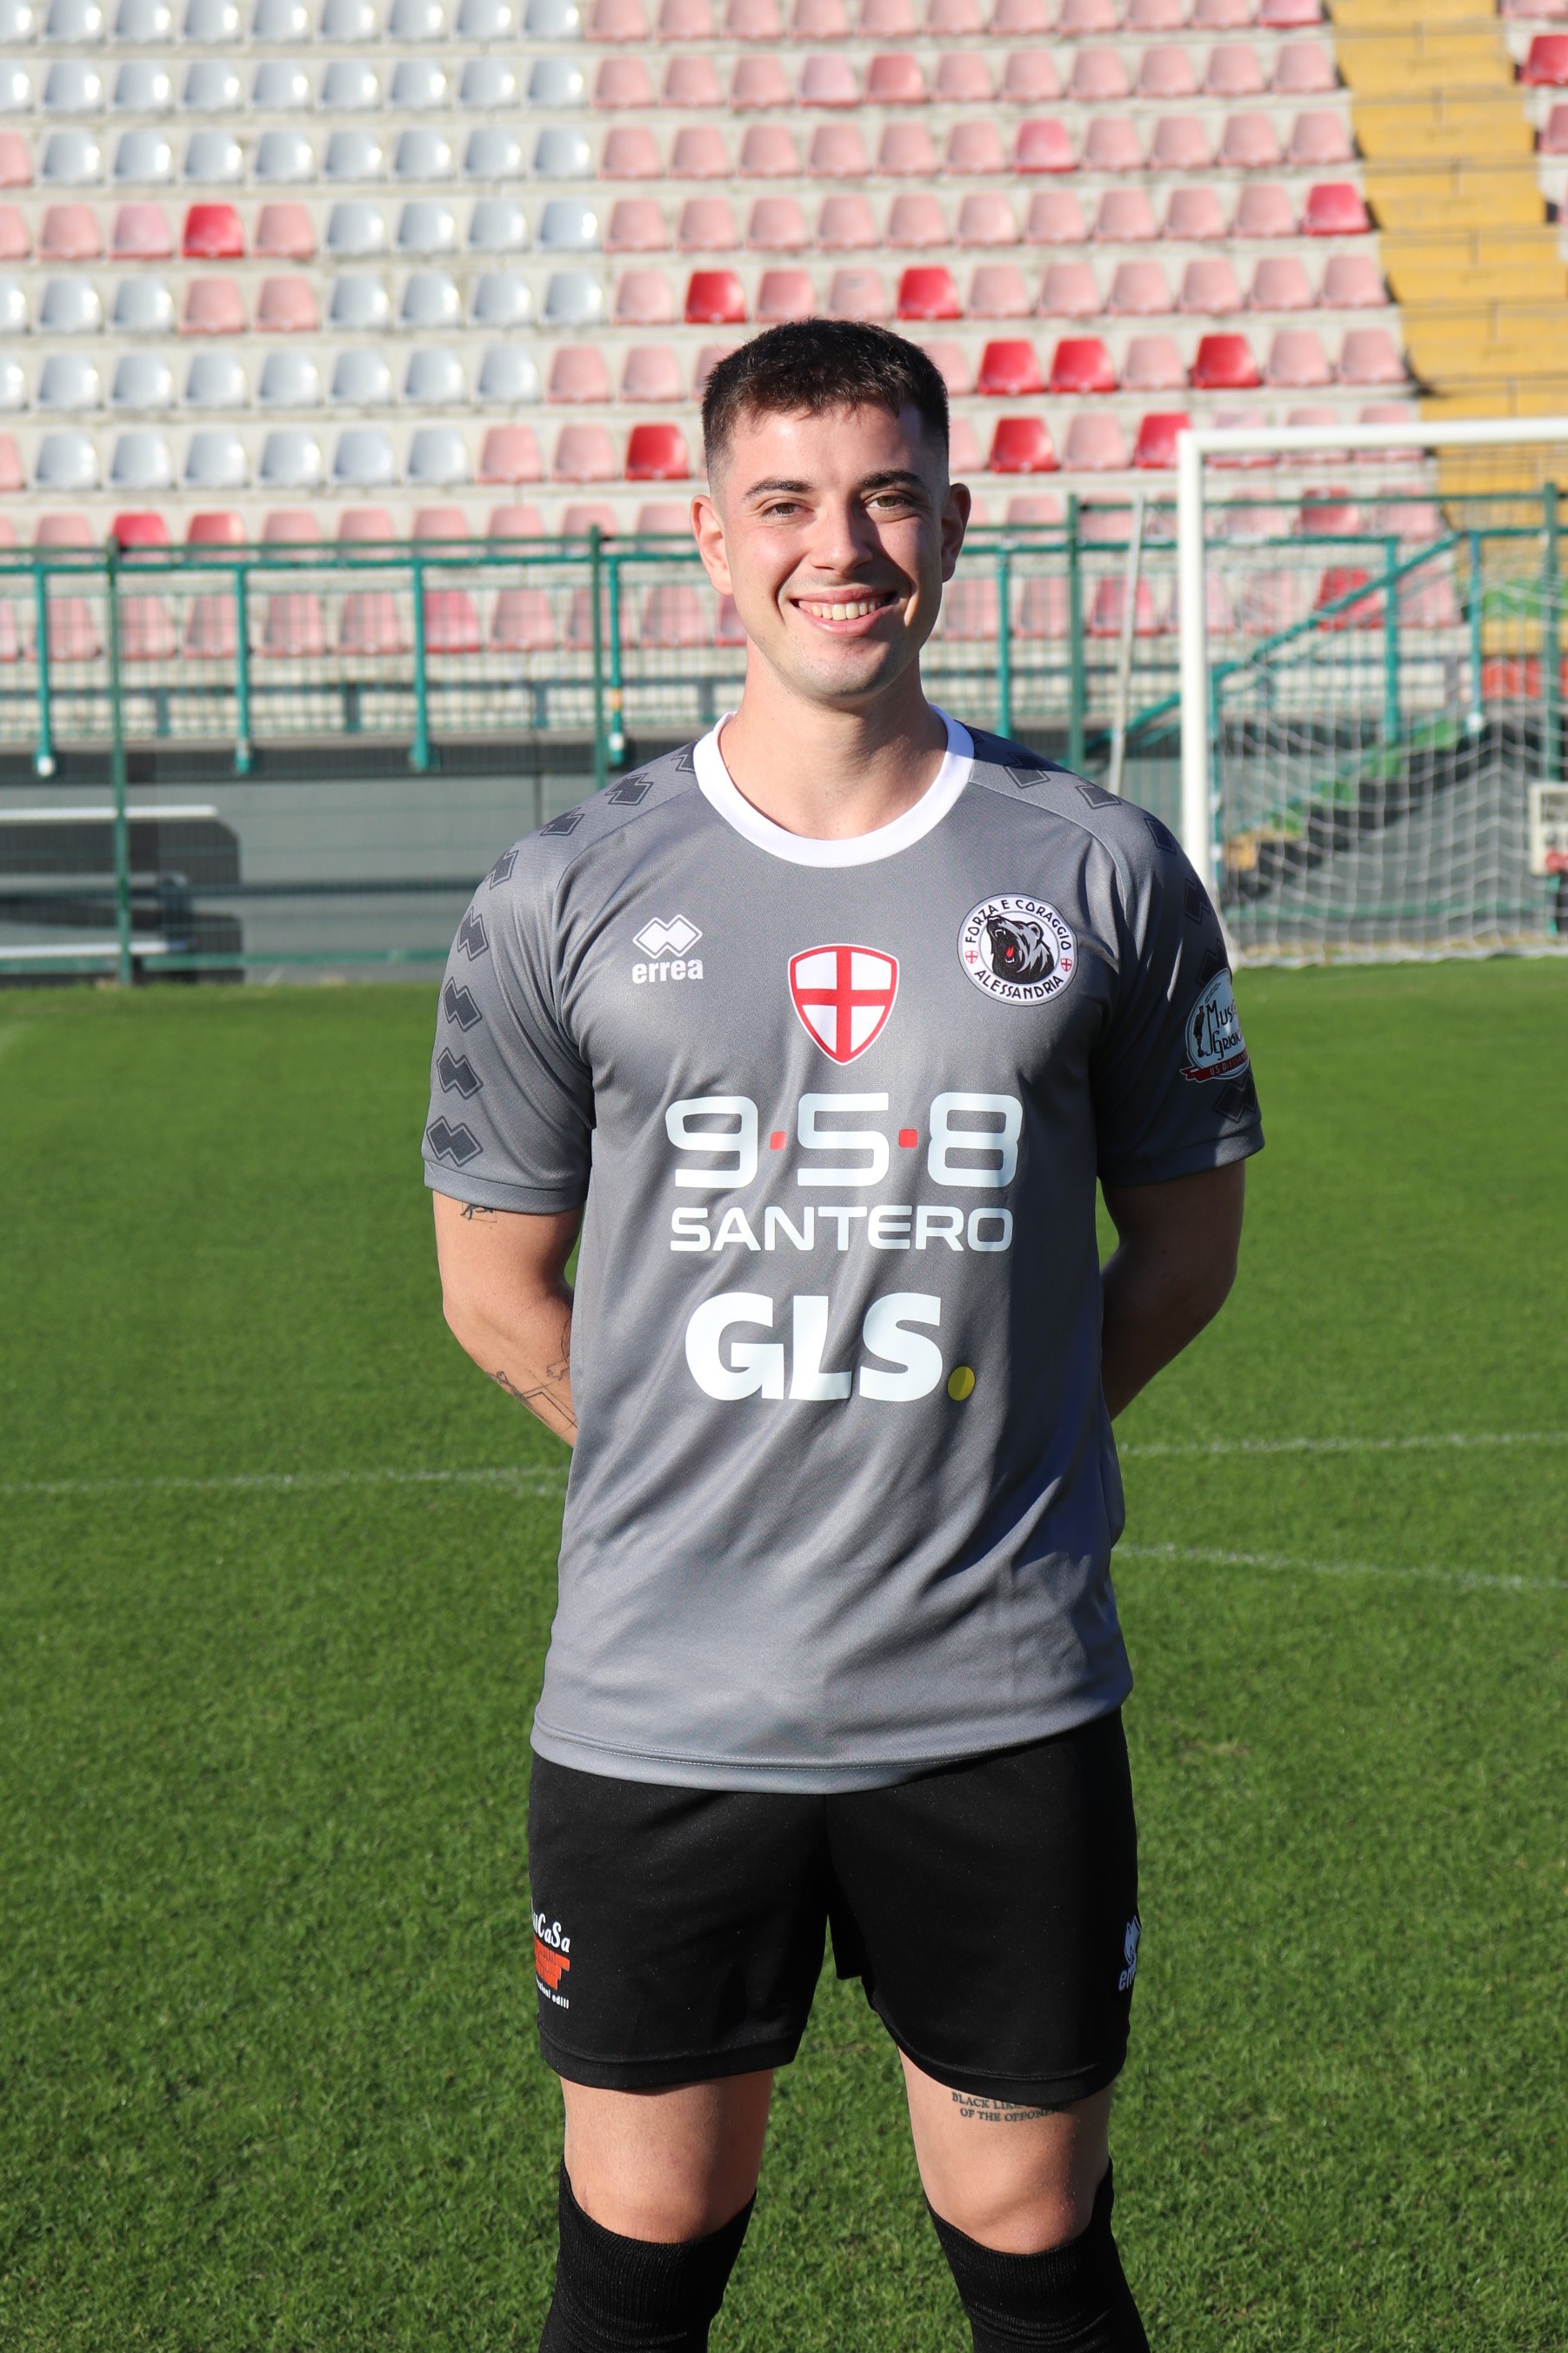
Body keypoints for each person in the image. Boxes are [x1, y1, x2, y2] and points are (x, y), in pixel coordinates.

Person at [424, 319, 1263, 2353]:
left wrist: (985, 1461)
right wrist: (699, 1469)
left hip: (994, 1690)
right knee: (643, 2228)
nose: (842, 547)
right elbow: (490, 1285)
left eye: (888, 498)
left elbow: (1180, 1252)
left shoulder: (1096, 867)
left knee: (1029, 2224)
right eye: (787, 503)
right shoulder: (562, 889)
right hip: (659, 1696)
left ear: (950, 526)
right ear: (711, 539)